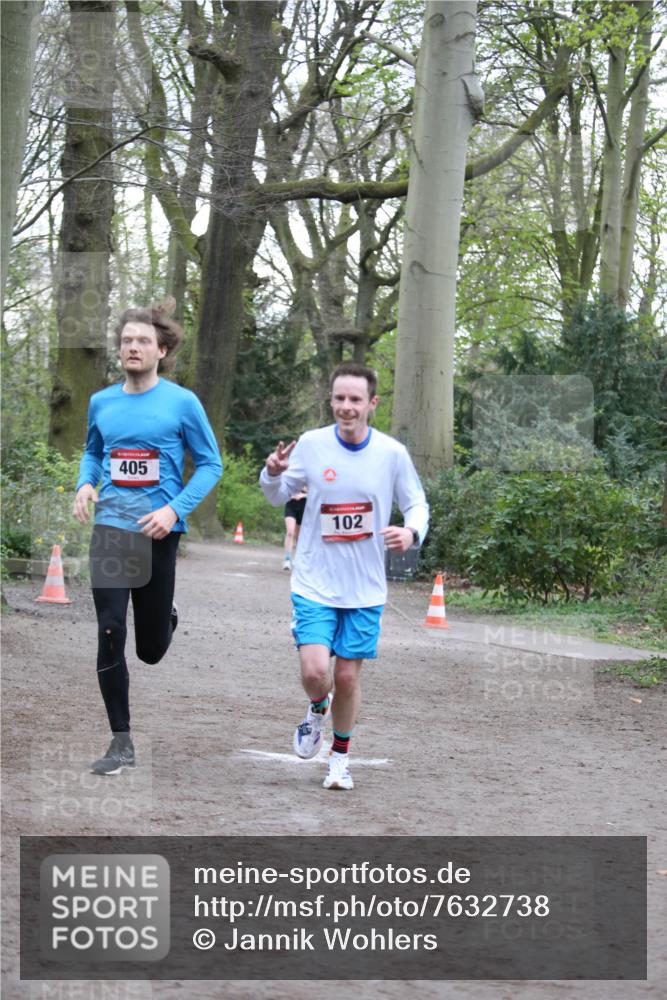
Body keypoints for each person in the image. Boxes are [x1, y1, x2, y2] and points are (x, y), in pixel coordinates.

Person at [260, 361, 428, 791]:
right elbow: (278, 495)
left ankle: (339, 756)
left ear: (372, 403)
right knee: (317, 671)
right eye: (339, 398)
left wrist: (410, 532)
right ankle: (317, 708)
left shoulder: (391, 454)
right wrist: (273, 473)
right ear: (331, 400)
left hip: (365, 587)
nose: (346, 407)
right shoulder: (312, 446)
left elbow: (417, 505)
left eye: (355, 399)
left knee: (349, 676)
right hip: (315, 578)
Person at [73, 300, 222, 775]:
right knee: (111, 628)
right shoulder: (102, 402)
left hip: (159, 532)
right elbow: (95, 453)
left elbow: (211, 464)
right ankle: (121, 741)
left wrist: (173, 509)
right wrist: (84, 483)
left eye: (142, 341)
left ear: (161, 350)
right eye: (126, 341)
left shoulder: (182, 403)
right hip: (113, 529)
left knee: (150, 649)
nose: (132, 347)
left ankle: (165, 620)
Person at [282, 488, 307, 571]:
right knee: (290, 532)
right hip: (291, 505)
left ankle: (298, 558)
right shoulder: (289, 475)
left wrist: (304, 494)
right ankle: (287, 559)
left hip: (304, 505)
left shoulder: (307, 476)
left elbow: (315, 491)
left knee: (300, 535)